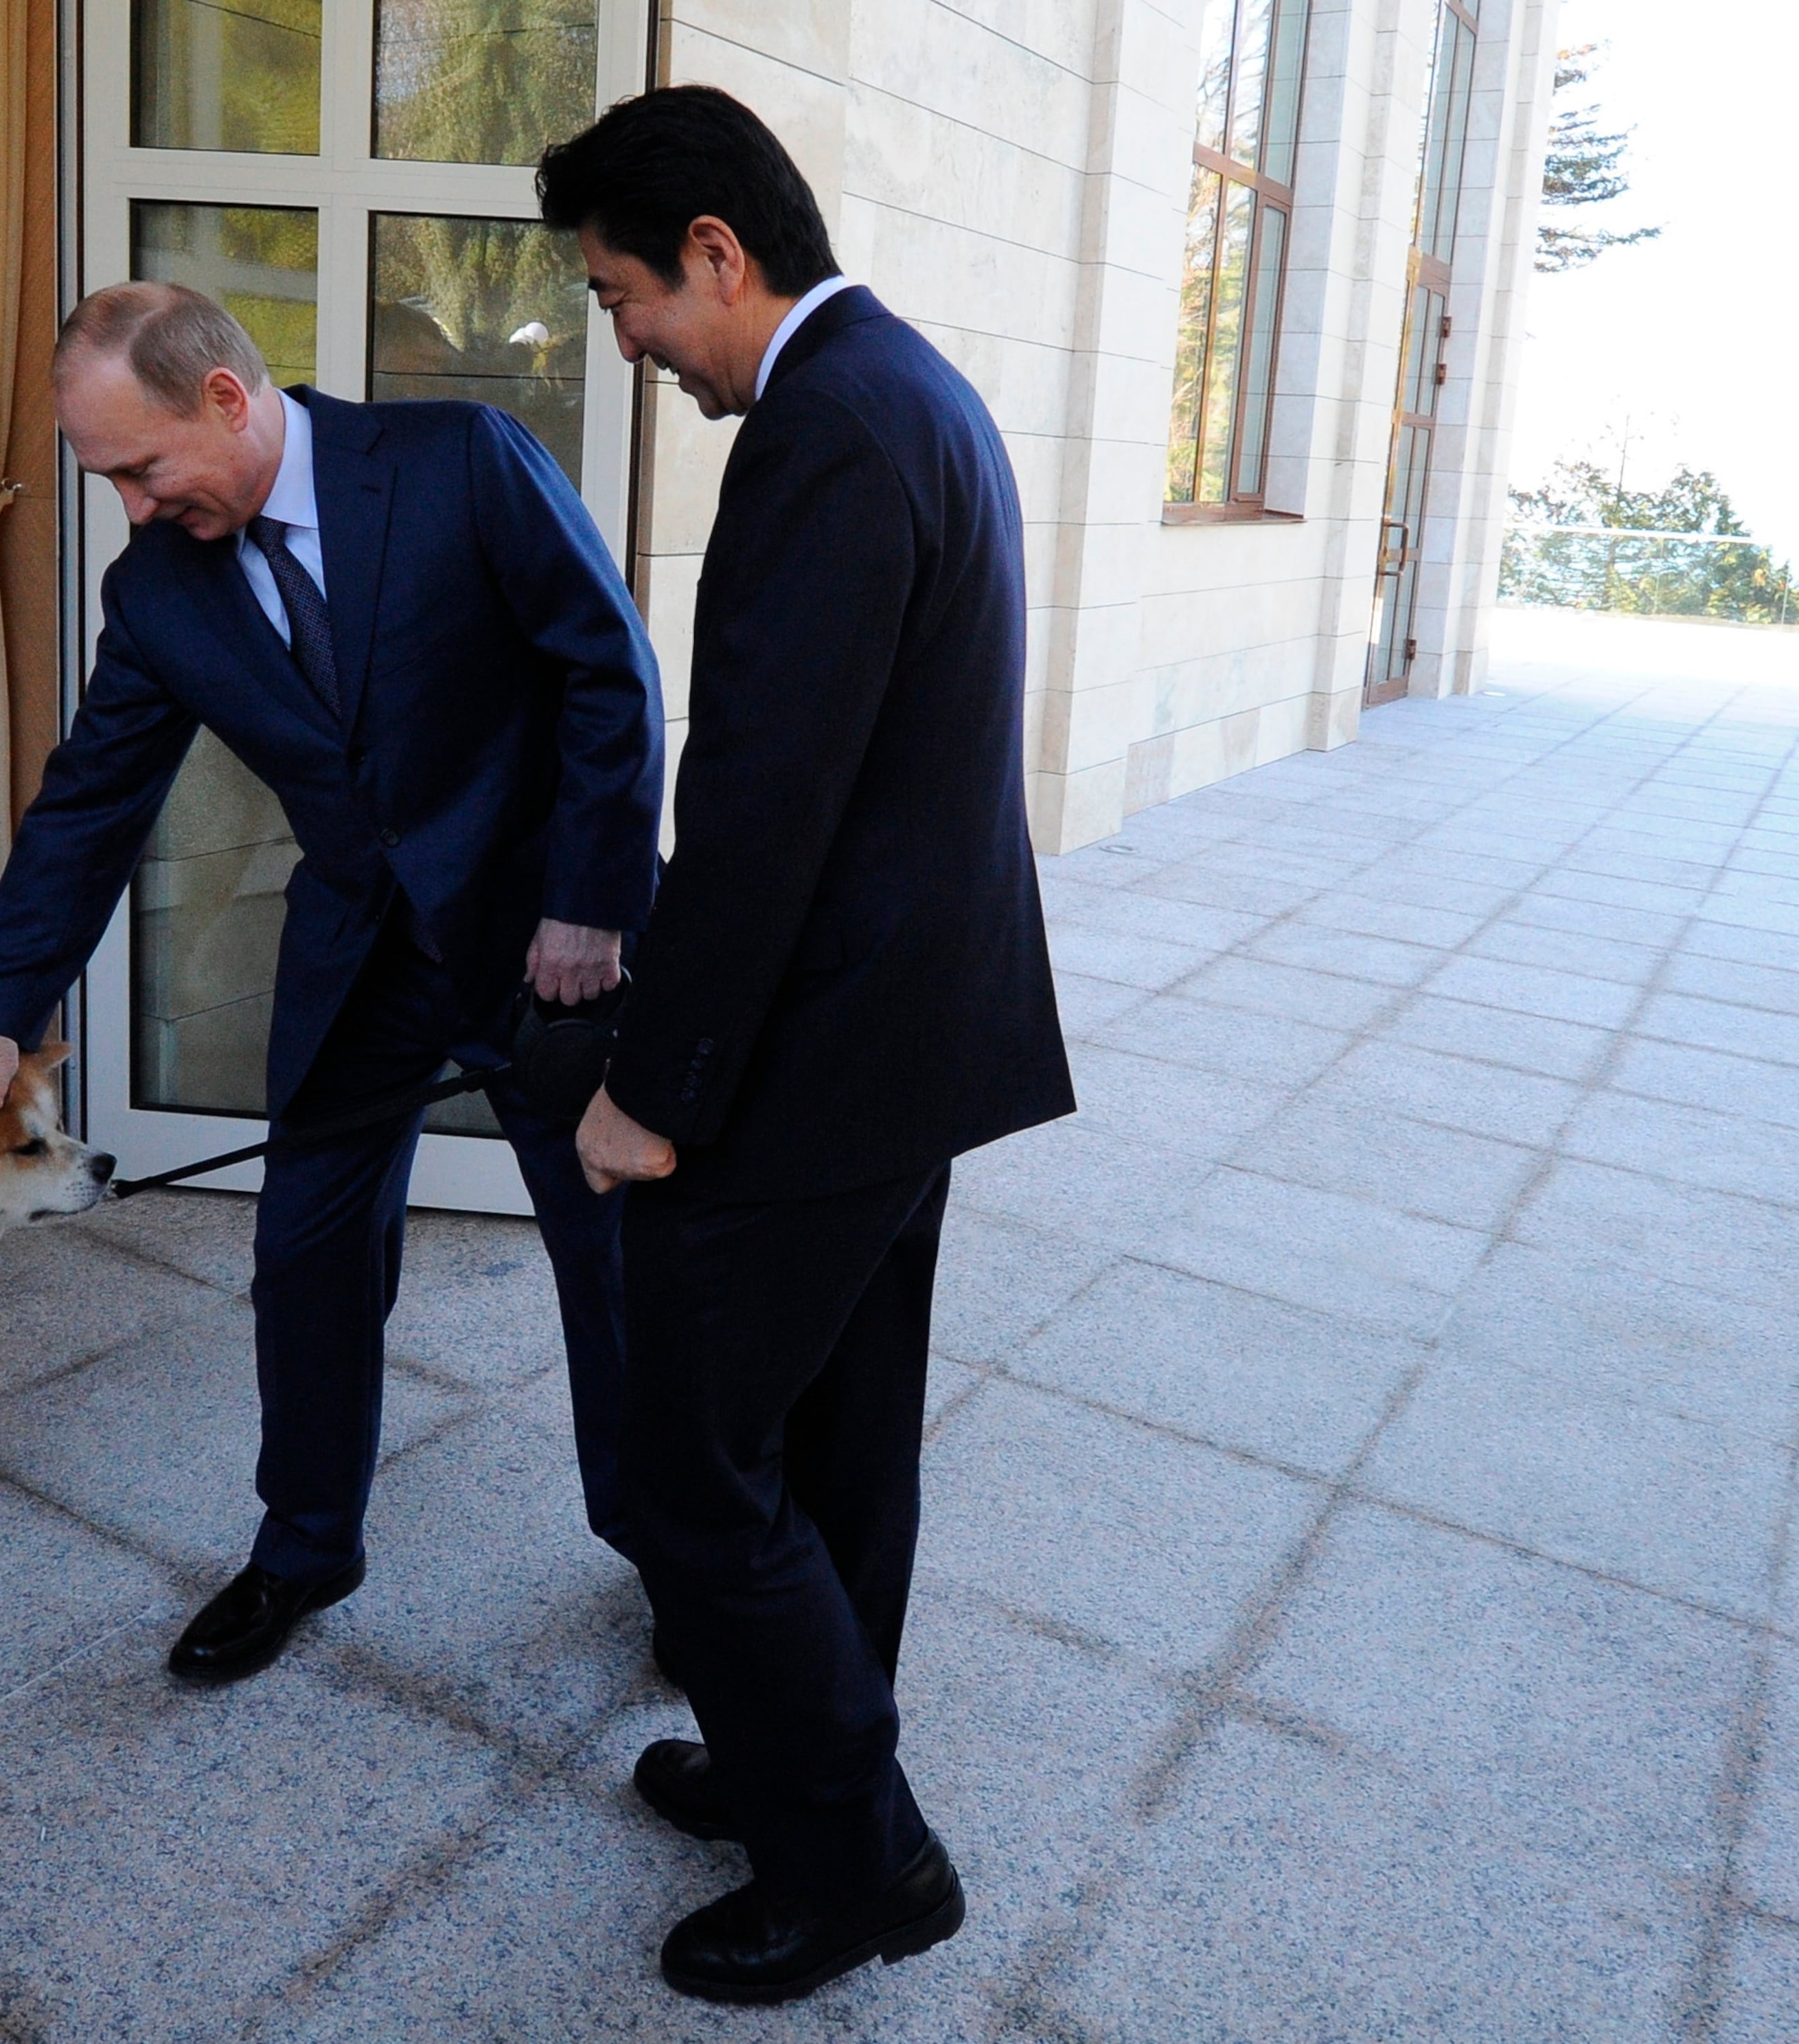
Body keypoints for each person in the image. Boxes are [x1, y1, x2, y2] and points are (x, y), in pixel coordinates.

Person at [0, 284, 665, 1684]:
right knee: (302, 1254)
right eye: (106, 475)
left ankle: (674, 1552)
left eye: (140, 466)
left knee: (615, 1265)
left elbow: (606, 668)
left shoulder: (457, 463)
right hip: (361, 957)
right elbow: (90, 802)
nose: (129, 505)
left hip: (545, 946)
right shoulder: (160, 589)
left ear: (227, 400)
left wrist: (591, 903)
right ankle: (304, 1545)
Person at [538, 87, 1076, 2003]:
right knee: (839, 1442)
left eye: (622, 299)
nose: (624, 342)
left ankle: (861, 1863)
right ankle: (798, 1762)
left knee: (692, 1464)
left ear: (713, 252)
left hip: (820, 1052)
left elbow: (764, 813)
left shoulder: (830, 432)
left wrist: (646, 1097)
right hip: (904, 1039)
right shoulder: (901, 385)